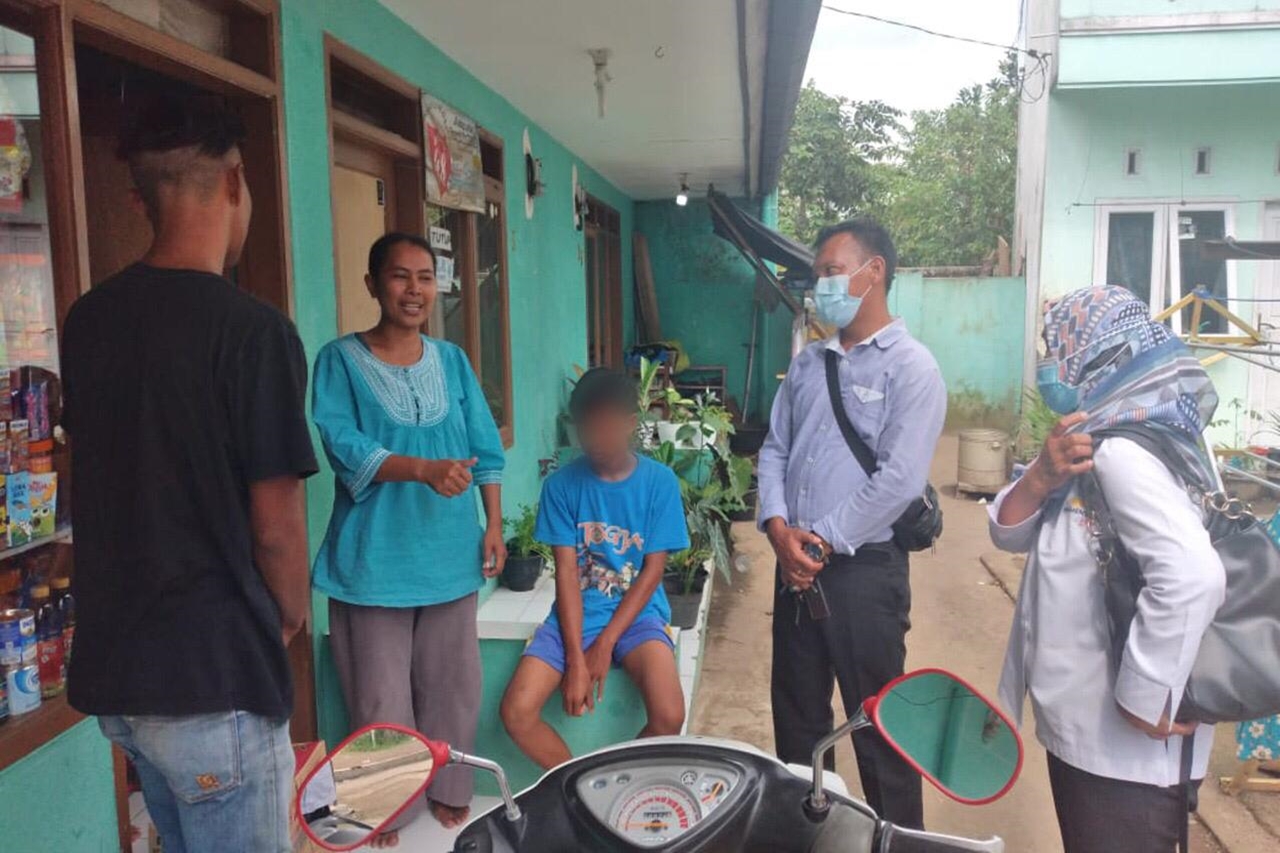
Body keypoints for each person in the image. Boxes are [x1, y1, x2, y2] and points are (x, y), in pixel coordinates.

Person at [62, 94, 317, 853]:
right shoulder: (254, 332)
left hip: (122, 677)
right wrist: (288, 615)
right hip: (215, 679)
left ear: (139, 197)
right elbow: (277, 522)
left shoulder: (89, 320)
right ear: (236, 183)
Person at [990, 285, 1225, 853]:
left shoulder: (1123, 452)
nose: (1048, 361)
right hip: (1100, 744)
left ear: (1098, 354)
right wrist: (1041, 477)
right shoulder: (1093, 440)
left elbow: (1194, 575)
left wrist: (1143, 699)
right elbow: (1011, 532)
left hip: (1122, 753)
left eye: (1056, 345)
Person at [311, 232, 506, 841]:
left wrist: (493, 522)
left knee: (453, 685)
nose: (415, 290)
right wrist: (420, 469)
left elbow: (483, 446)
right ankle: (386, 806)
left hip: (449, 552)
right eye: (400, 276)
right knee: (378, 697)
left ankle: (449, 790)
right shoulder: (340, 360)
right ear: (373, 284)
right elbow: (344, 446)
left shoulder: (452, 362)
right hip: (373, 561)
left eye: (425, 277)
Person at [757, 218, 944, 829]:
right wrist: (779, 528)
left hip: (863, 573)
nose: (822, 286)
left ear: (874, 272)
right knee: (798, 722)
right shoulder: (810, 365)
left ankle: (897, 842)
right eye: (818, 275)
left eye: (833, 271)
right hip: (796, 567)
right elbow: (775, 449)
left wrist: (821, 540)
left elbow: (897, 480)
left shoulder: (912, 369)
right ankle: (809, 835)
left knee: (878, 726)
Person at [500, 368, 688, 769]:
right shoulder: (561, 486)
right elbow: (566, 576)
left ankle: (614, 784)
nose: (596, 438)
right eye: (588, 427)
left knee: (670, 715)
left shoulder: (660, 483)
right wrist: (576, 658)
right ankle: (579, 788)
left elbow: (652, 571)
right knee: (516, 712)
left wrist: (603, 646)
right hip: (575, 616)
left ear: (631, 424)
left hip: (639, 616)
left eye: (607, 426)